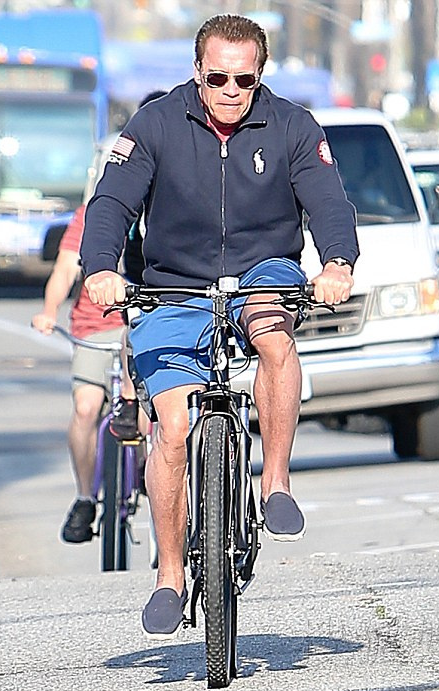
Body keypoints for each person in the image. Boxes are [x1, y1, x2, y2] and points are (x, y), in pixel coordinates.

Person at [80, 14, 359, 638]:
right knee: (172, 428)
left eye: (244, 79)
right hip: (175, 283)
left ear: (260, 76)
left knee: (273, 335)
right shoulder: (154, 124)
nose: (231, 90)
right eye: (218, 78)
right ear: (197, 72)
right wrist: (100, 268)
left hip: (264, 269)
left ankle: (276, 482)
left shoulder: (293, 126)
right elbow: (112, 203)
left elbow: (328, 201)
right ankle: (169, 575)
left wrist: (337, 263)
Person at [32, 90, 166, 544]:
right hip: (93, 327)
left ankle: (150, 469)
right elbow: (64, 270)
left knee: (149, 409)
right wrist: (48, 312)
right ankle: (85, 497)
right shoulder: (93, 213)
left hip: (141, 323)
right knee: (86, 408)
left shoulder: (169, 210)